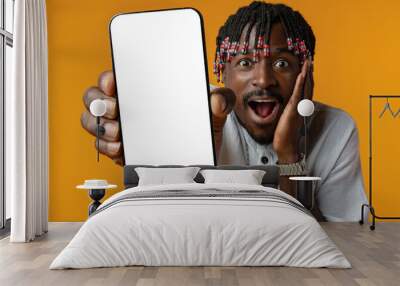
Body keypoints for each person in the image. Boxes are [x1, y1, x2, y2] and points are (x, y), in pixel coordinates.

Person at [80, 1, 367, 221]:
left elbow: (345, 237)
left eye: (282, 64)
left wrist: (288, 153)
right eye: (245, 62)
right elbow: (170, 222)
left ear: (306, 72)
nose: (264, 79)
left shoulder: (336, 128)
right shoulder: (191, 106)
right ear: (221, 72)